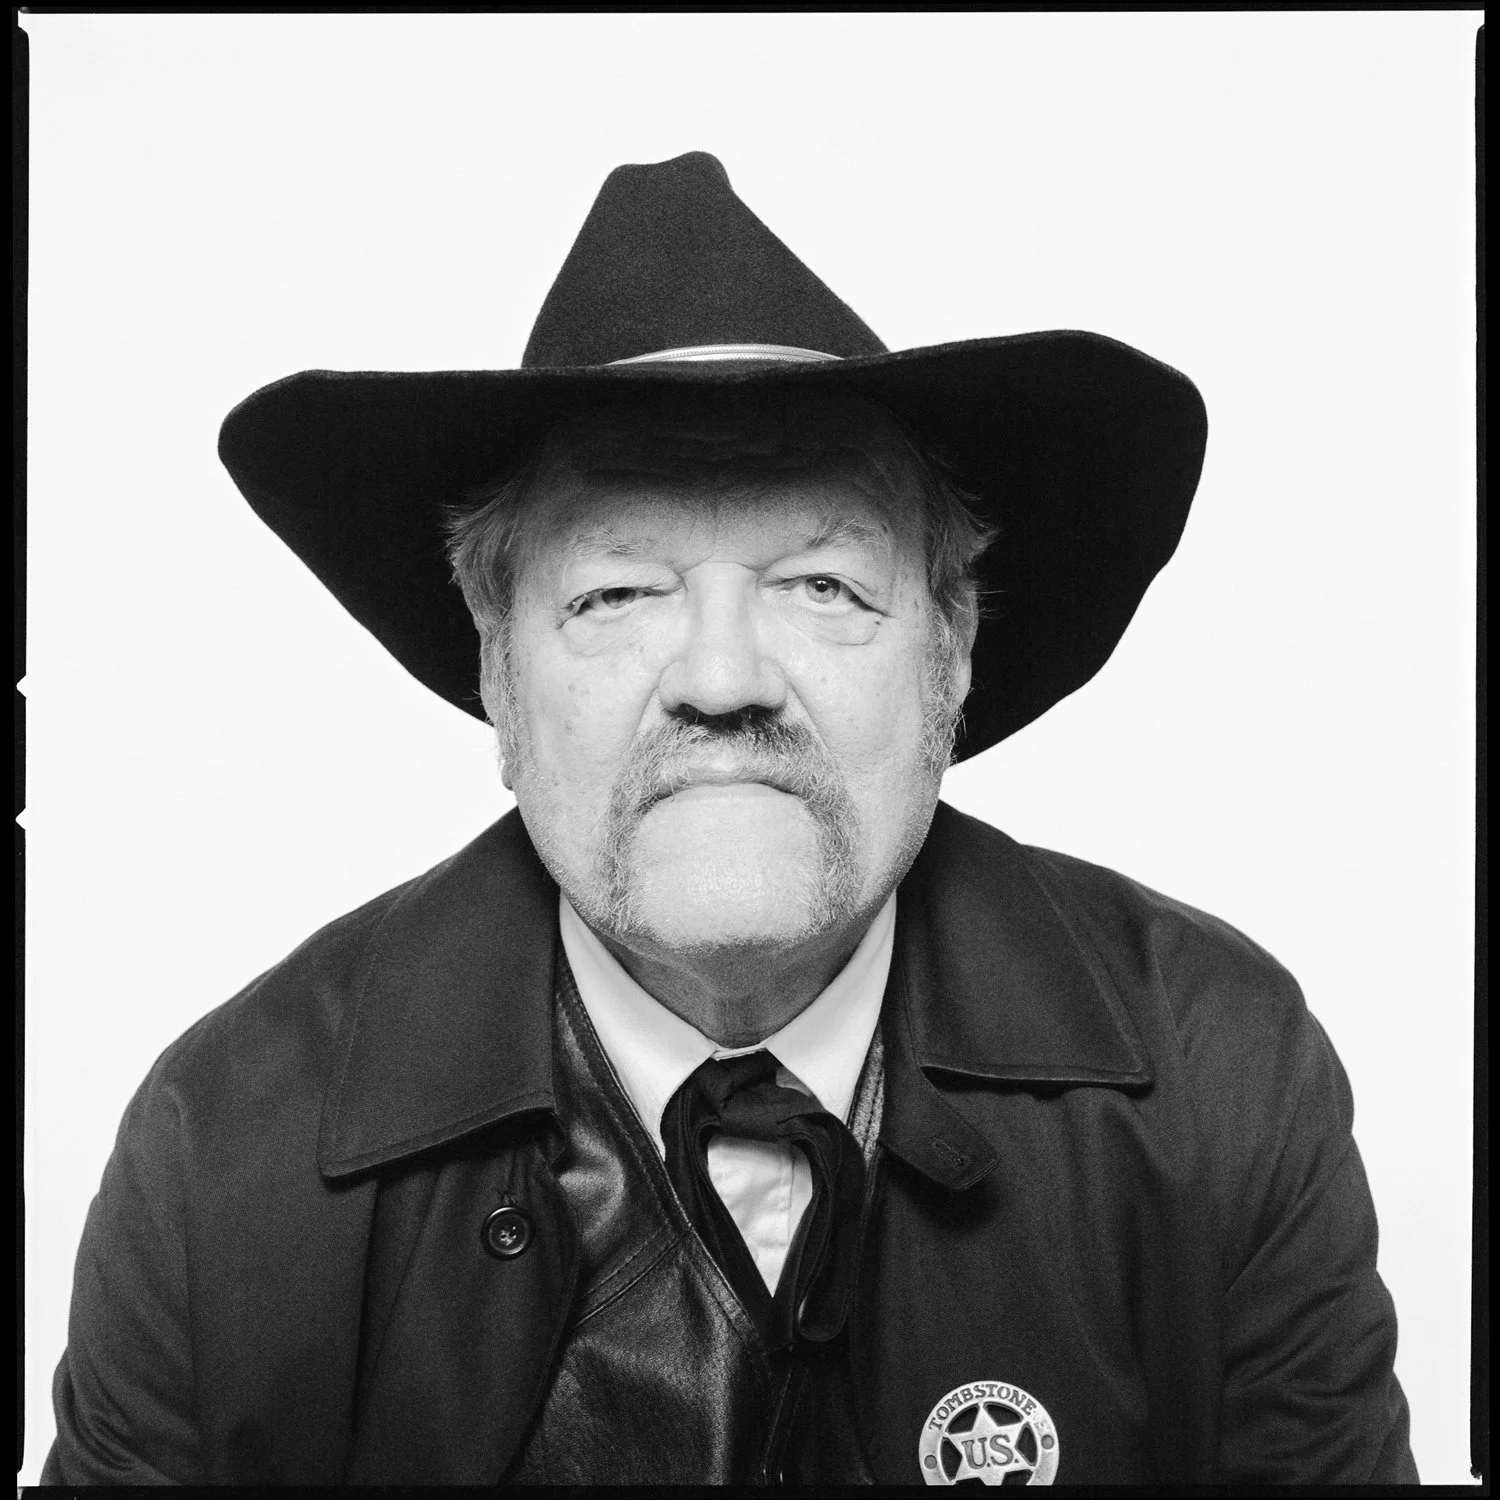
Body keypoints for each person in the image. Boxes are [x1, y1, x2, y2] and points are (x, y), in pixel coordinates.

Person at [42, 151, 1417, 1487]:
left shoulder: (1221, 1081)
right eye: (615, 594)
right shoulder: (223, 1165)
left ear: (950, 654)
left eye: (823, 584)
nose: (719, 679)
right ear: (498, 675)